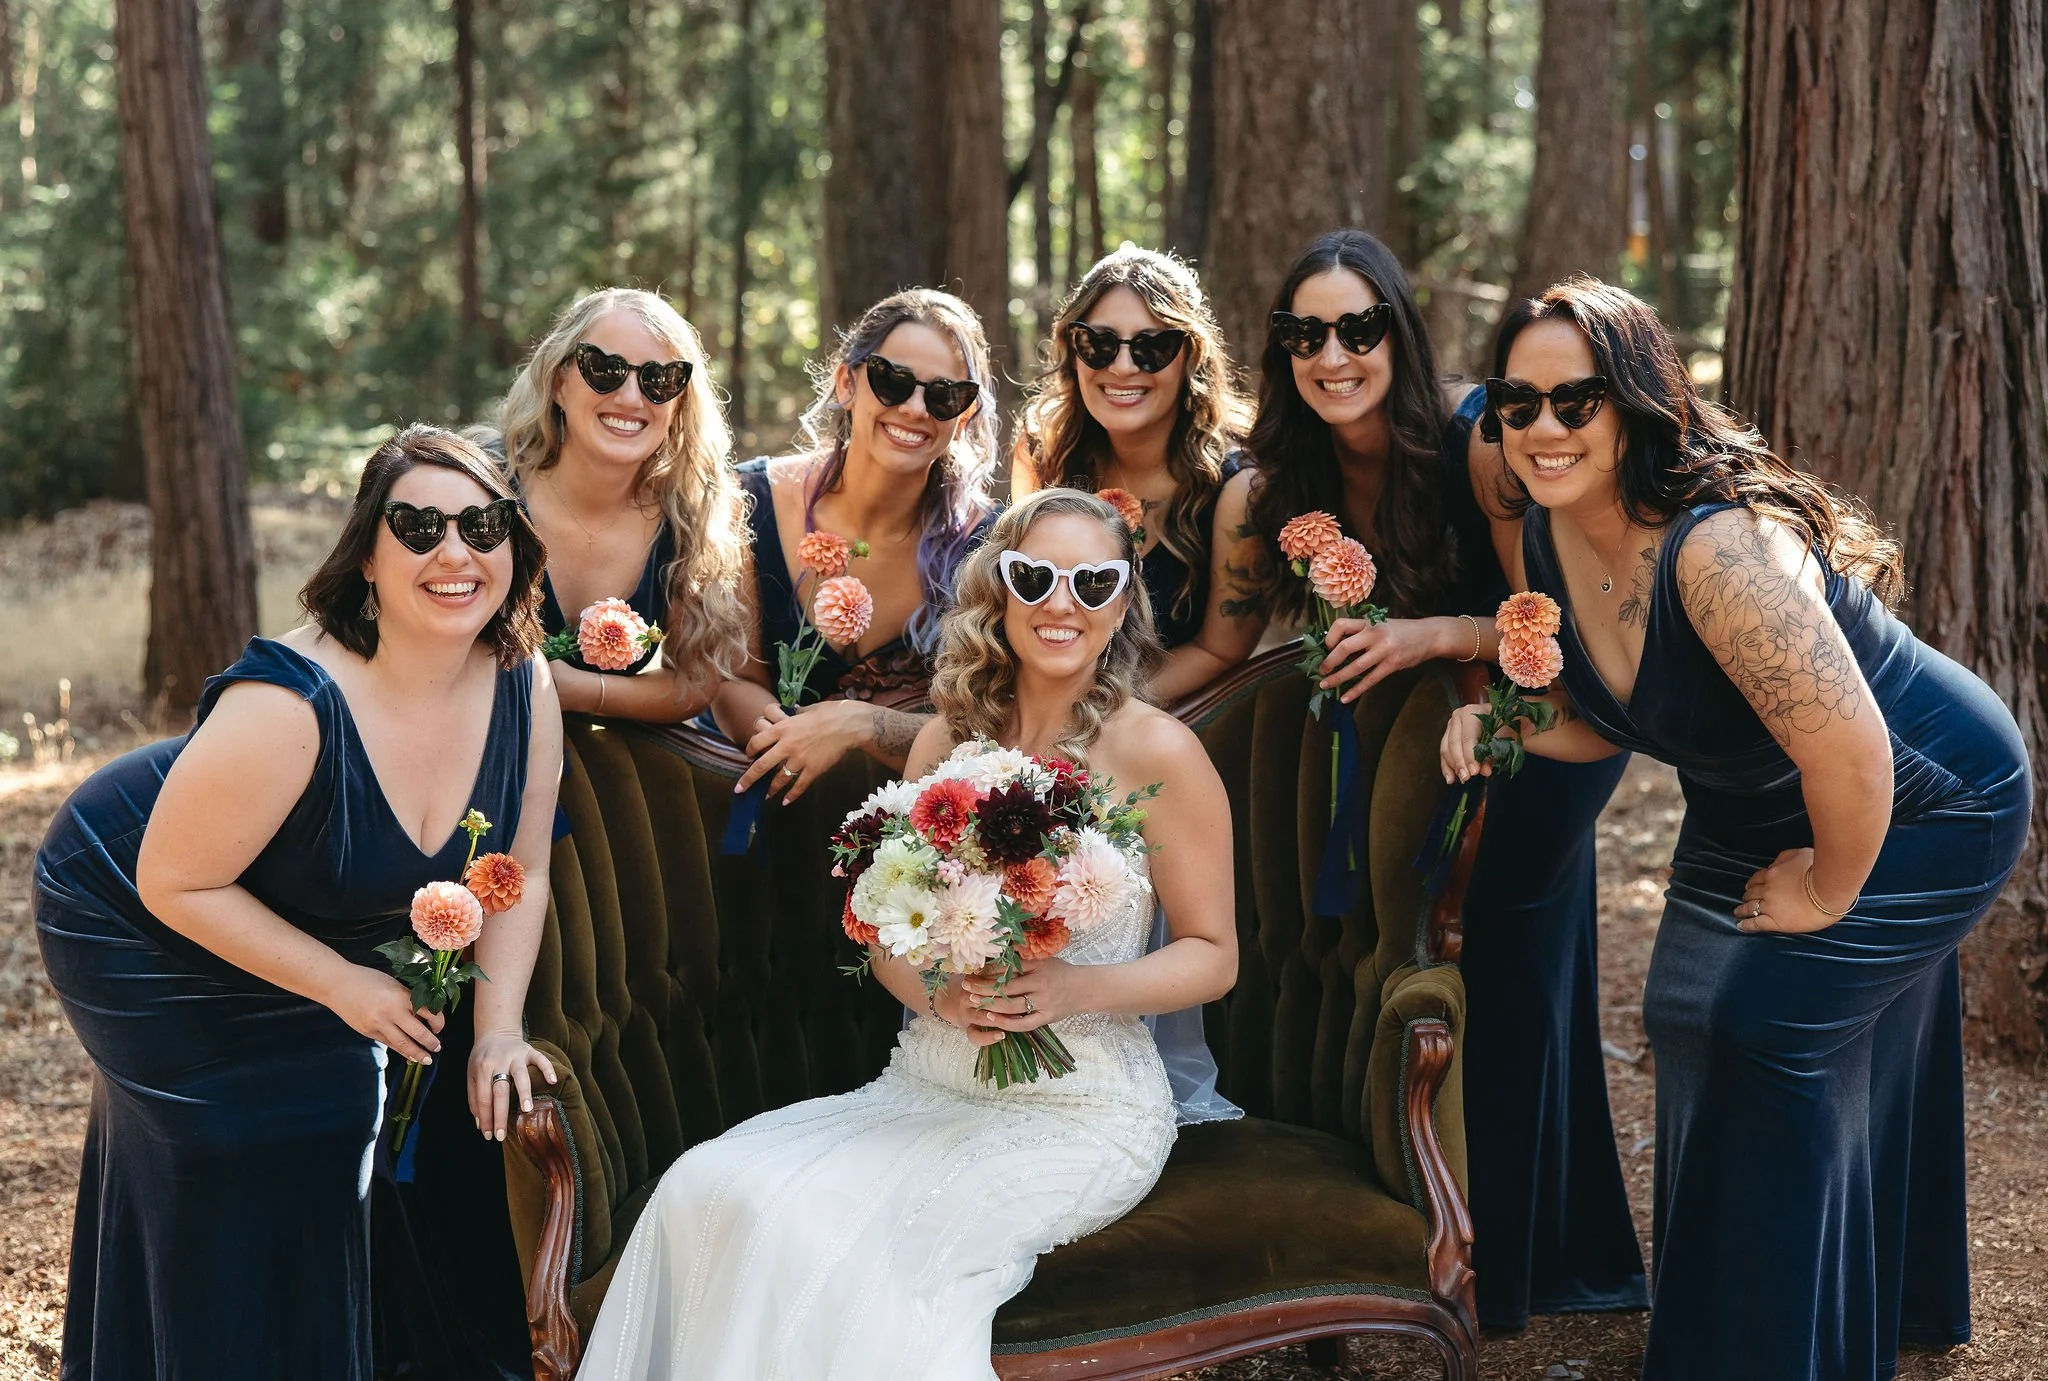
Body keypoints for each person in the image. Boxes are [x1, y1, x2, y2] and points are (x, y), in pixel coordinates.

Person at [1440, 276, 2031, 1379]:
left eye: (1576, 402)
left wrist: (1820, 890)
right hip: (1748, 804)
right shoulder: (1548, 533)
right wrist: (1502, 722)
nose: (1542, 428)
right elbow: (1606, 714)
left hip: (1928, 800)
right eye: (1516, 404)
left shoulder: (1716, 556)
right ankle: (1768, 1316)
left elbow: (1850, 754)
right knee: (1678, 1014)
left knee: (1764, 1029)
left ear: (1634, 404)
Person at [576, 488, 1238, 1379]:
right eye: (1036, 577)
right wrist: (941, 993)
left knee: (859, 1253)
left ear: (1123, 601)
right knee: (708, 1188)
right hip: (930, 1079)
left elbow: (1214, 955)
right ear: (1000, 589)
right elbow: (883, 935)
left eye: (1093, 582)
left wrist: (1077, 987)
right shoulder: (943, 744)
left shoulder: (1159, 752)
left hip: (1082, 1107)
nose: (1062, 603)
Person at [33, 427, 561, 1380]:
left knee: (330, 1132)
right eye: (419, 525)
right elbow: (175, 880)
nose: (456, 552)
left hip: (290, 910)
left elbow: (520, 870)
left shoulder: (525, 684)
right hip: (132, 898)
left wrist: (498, 1028)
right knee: (222, 1145)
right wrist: (341, 984)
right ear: (367, 553)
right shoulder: (291, 703)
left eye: (482, 524)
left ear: (514, 545)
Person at [1241, 230, 1648, 1328]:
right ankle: (1473, 1244)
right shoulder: (1284, 481)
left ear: (1398, 334)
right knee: (1446, 964)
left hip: (1535, 730)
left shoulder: (1478, 440)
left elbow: (1542, 624)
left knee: (1506, 974)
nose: (1334, 354)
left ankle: (1513, 1271)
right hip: (1420, 746)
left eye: (1359, 327)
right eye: (1305, 333)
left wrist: (1436, 648)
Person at [711, 287, 999, 805]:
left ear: (966, 412)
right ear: (848, 382)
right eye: (892, 382)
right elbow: (733, 677)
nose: (914, 409)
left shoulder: (990, 546)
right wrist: (793, 739)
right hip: (765, 804)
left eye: (943, 395)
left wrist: (860, 724)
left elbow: (999, 726)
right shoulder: (747, 503)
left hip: (926, 835)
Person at [492, 286, 750, 720]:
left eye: (659, 379)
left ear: (679, 401)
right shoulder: (484, 490)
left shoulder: (694, 515)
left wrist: (579, 691)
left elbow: (695, 684)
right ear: (558, 382)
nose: (631, 398)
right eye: (604, 369)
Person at [1012, 244, 1254, 702]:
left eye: (1152, 347)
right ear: (1072, 349)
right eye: (1098, 344)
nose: (1122, 367)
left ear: (1190, 356)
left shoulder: (1238, 490)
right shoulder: (1041, 453)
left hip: (1171, 725)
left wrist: (1093, 710)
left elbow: (1221, 650)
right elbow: (1020, 603)